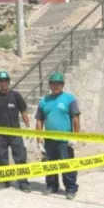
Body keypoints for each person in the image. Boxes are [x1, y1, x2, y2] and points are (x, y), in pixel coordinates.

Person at [35, 72, 80, 200]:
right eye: (53, 83)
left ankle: (71, 188)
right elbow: (39, 120)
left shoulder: (69, 99)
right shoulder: (44, 101)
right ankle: (51, 185)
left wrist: (75, 137)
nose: (56, 86)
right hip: (49, 141)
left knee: (68, 165)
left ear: (62, 85)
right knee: (49, 165)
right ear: (49, 85)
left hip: (65, 141)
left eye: (58, 84)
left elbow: (75, 118)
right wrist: (39, 140)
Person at [0, 71, 31, 193]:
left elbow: (23, 111)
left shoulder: (16, 95)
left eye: (6, 81)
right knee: (1, 158)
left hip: (15, 132)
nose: (4, 83)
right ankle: (5, 181)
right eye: (1, 81)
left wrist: (28, 127)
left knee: (21, 157)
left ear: (9, 82)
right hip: (0, 134)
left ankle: (23, 182)